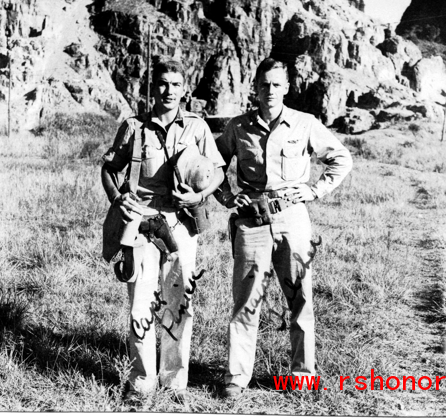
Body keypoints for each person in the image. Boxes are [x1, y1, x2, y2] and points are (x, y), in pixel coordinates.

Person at [214, 58, 353, 397]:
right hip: (252, 222)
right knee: (246, 302)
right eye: (264, 84)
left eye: (277, 84)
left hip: (292, 219)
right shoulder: (238, 127)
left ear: (287, 87)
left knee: (300, 298)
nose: (270, 90)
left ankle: (302, 375)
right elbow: (213, 164)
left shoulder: (304, 124)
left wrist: (313, 189)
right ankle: (237, 377)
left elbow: (342, 159)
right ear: (255, 87)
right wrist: (227, 196)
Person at [101, 59, 225, 403]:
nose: (169, 91)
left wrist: (200, 194)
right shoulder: (134, 127)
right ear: (151, 88)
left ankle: (174, 383)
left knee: (179, 304)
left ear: (184, 88)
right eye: (162, 84)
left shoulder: (197, 128)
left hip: (181, 224)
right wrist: (118, 199)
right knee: (141, 303)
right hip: (141, 224)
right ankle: (142, 380)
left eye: (175, 84)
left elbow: (218, 171)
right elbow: (109, 168)